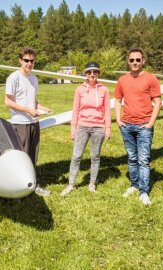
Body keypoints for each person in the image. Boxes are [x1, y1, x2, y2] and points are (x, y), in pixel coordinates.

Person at [114, 49, 162, 205]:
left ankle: (144, 191)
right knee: (132, 158)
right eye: (132, 60)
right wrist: (119, 120)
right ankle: (134, 185)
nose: (134, 63)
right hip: (126, 125)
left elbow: (158, 102)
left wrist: (150, 123)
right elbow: (117, 100)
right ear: (128, 61)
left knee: (143, 159)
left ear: (143, 61)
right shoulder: (122, 80)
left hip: (144, 126)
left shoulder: (151, 78)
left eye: (137, 60)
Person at [5, 47, 51, 196]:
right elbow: (8, 102)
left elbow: (33, 101)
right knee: (21, 157)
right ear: (20, 60)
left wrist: (41, 108)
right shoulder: (14, 78)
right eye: (26, 60)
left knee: (33, 155)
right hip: (20, 123)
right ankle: (16, 190)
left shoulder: (34, 78)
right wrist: (28, 110)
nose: (29, 63)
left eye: (32, 61)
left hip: (34, 122)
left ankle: (33, 185)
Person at [61, 62, 111, 196]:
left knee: (95, 157)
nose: (92, 74)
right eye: (89, 72)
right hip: (82, 126)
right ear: (85, 74)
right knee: (76, 156)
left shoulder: (104, 90)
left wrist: (108, 128)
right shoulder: (79, 90)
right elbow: (75, 110)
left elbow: (107, 110)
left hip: (98, 127)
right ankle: (71, 184)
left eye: (95, 72)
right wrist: (73, 128)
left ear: (98, 73)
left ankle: (92, 183)